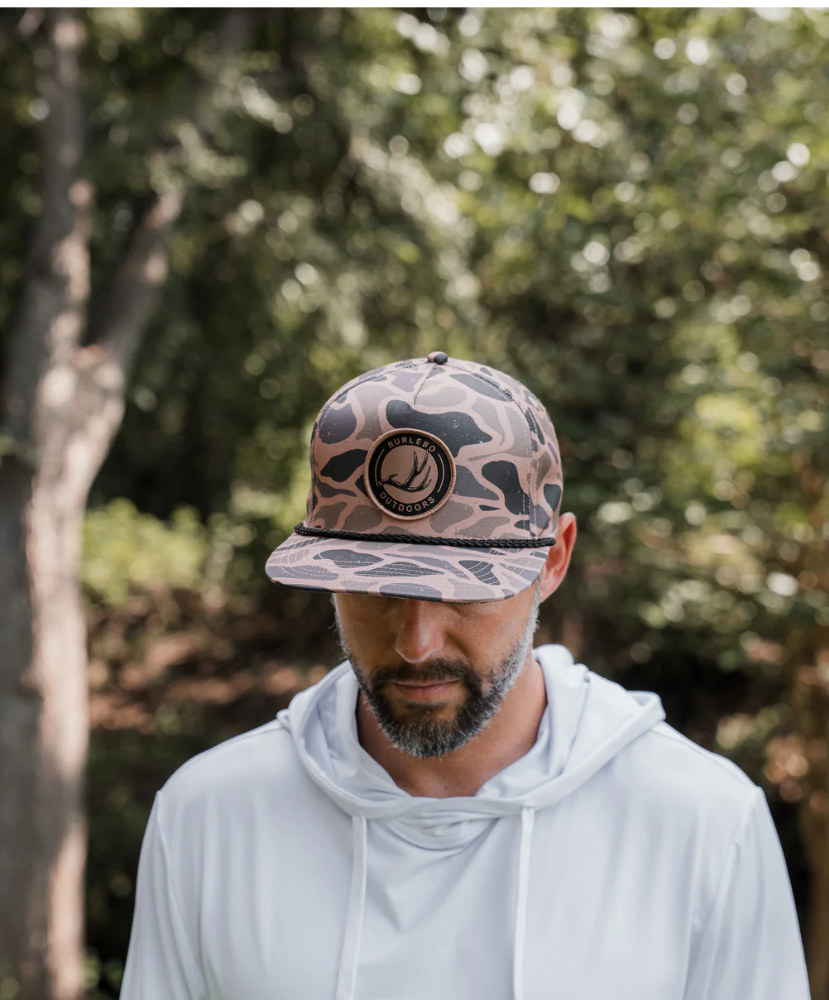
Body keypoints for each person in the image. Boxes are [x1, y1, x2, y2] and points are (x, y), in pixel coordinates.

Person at [120, 353, 809, 999]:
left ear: (553, 560)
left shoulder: (700, 821)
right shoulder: (210, 817)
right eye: (375, 588)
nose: (416, 643)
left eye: (467, 588)